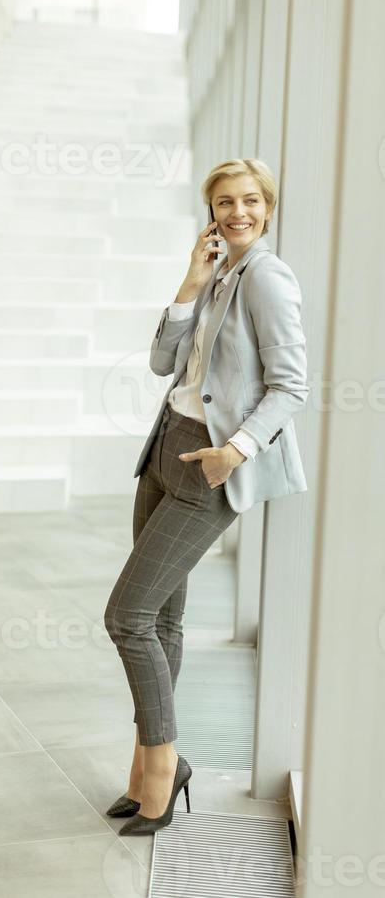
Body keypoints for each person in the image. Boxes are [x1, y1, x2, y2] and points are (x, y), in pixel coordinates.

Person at [103, 158, 309, 835]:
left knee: (127, 616)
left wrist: (236, 452)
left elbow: (291, 386)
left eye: (251, 200)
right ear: (212, 209)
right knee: (160, 621)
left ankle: (162, 766)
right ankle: (143, 766)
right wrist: (190, 282)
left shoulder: (268, 279)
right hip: (165, 450)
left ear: (269, 207)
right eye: (226, 201)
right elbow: (165, 362)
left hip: (206, 466)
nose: (238, 211)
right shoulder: (220, 273)